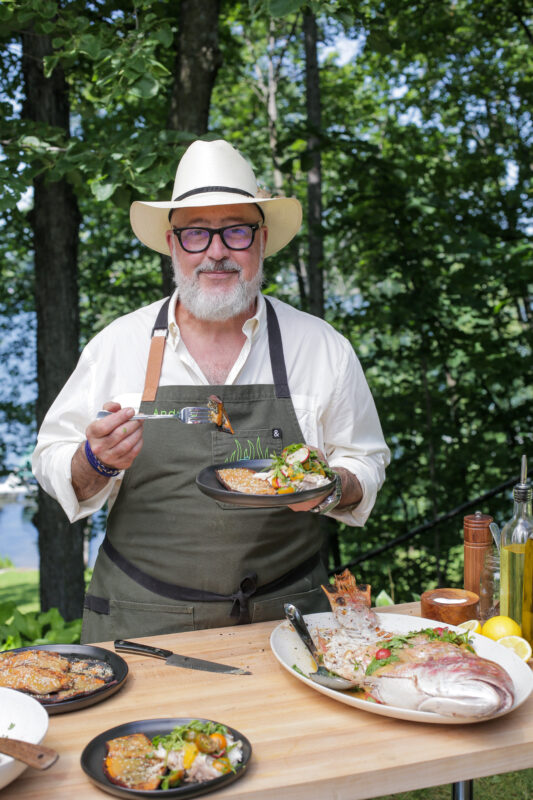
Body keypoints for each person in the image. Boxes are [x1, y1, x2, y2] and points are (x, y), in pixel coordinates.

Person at [32, 139, 390, 643]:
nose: (216, 252)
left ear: (262, 240)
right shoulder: (118, 344)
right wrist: (96, 461)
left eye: (236, 232)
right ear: (174, 244)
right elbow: (50, 458)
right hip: (141, 624)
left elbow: (366, 461)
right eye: (197, 234)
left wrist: (329, 488)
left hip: (290, 624)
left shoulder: (321, 346)